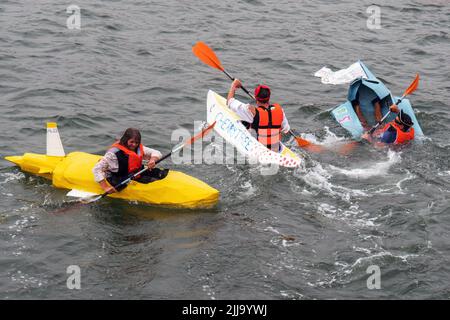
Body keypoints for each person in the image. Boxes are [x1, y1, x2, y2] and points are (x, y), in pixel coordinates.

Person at [93, 128, 167, 194]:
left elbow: (157, 153)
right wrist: (105, 187)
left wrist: (152, 160)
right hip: (117, 176)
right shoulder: (113, 153)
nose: (134, 144)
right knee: (151, 180)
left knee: (159, 173)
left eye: (137, 142)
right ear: (125, 140)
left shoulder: (138, 148)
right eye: (131, 142)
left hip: (134, 172)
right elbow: (96, 169)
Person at [227, 79, 291, 152]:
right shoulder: (280, 111)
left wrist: (234, 86)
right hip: (276, 149)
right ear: (269, 97)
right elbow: (286, 130)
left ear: (256, 98)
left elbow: (229, 102)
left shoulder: (251, 111)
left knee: (244, 122)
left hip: (260, 150)